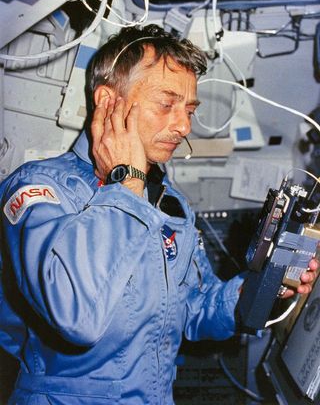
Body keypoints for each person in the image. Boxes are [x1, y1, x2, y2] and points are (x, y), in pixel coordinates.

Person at [0, 24, 317, 405]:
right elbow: (77, 317)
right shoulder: (41, 188)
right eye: (166, 104)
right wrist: (126, 184)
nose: (183, 126)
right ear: (108, 102)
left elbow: (193, 310)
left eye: (189, 110)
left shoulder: (167, 201)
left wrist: (260, 288)